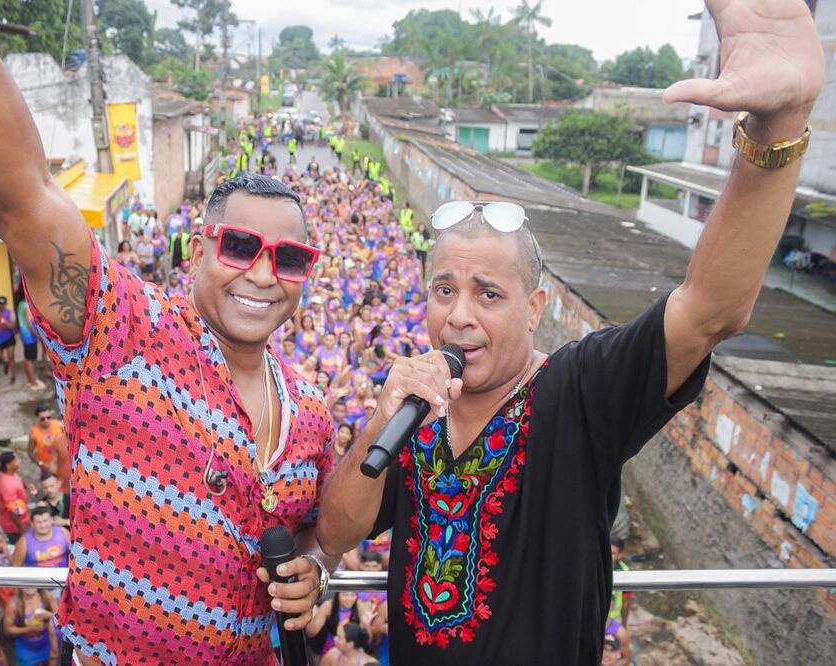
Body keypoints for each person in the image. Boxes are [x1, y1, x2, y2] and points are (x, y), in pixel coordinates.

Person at [316, 2, 825, 661]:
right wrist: (383, 415)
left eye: (488, 293)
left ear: (535, 309)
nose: (459, 314)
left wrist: (778, 121)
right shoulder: (412, 411)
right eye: (444, 289)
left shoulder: (580, 391)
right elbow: (336, 531)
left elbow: (712, 310)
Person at [0, 5, 337, 659]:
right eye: (239, 246)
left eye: (288, 258)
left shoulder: (310, 410)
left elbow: (312, 531)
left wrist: (317, 569)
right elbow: (20, 197)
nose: (263, 274)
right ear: (198, 249)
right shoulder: (125, 332)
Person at [3, 588, 60, 666]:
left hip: (47, 644)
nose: (29, 587)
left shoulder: (46, 596)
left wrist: (47, 615)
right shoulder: (14, 604)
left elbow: (60, 618)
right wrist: (29, 629)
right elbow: (8, 629)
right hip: (26, 649)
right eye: (26, 584)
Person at [0, 451, 29, 545]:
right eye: (15, 460)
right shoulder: (7, 486)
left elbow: (18, 481)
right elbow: (12, 512)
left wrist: (26, 486)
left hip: (22, 520)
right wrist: (22, 530)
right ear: (8, 465)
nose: (19, 461)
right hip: (14, 526)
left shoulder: (10, 473)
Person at [16, 290, 46, 390]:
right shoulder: (27, 306)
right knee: (30, 360)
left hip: (24, 336)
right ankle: (33, 383)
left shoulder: (21, 304)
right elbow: (29, 323)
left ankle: (30, 380)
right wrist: (37, 335)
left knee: (27, 358)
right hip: (29, 336)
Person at [28, 405, 65, 477]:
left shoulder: (59, 425)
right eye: (42, 419)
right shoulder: (33, 433)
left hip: (63, 464)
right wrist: (40, 464)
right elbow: (30, 452)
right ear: (37, 418)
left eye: (48, 417)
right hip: (47, 469)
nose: (46, 420)